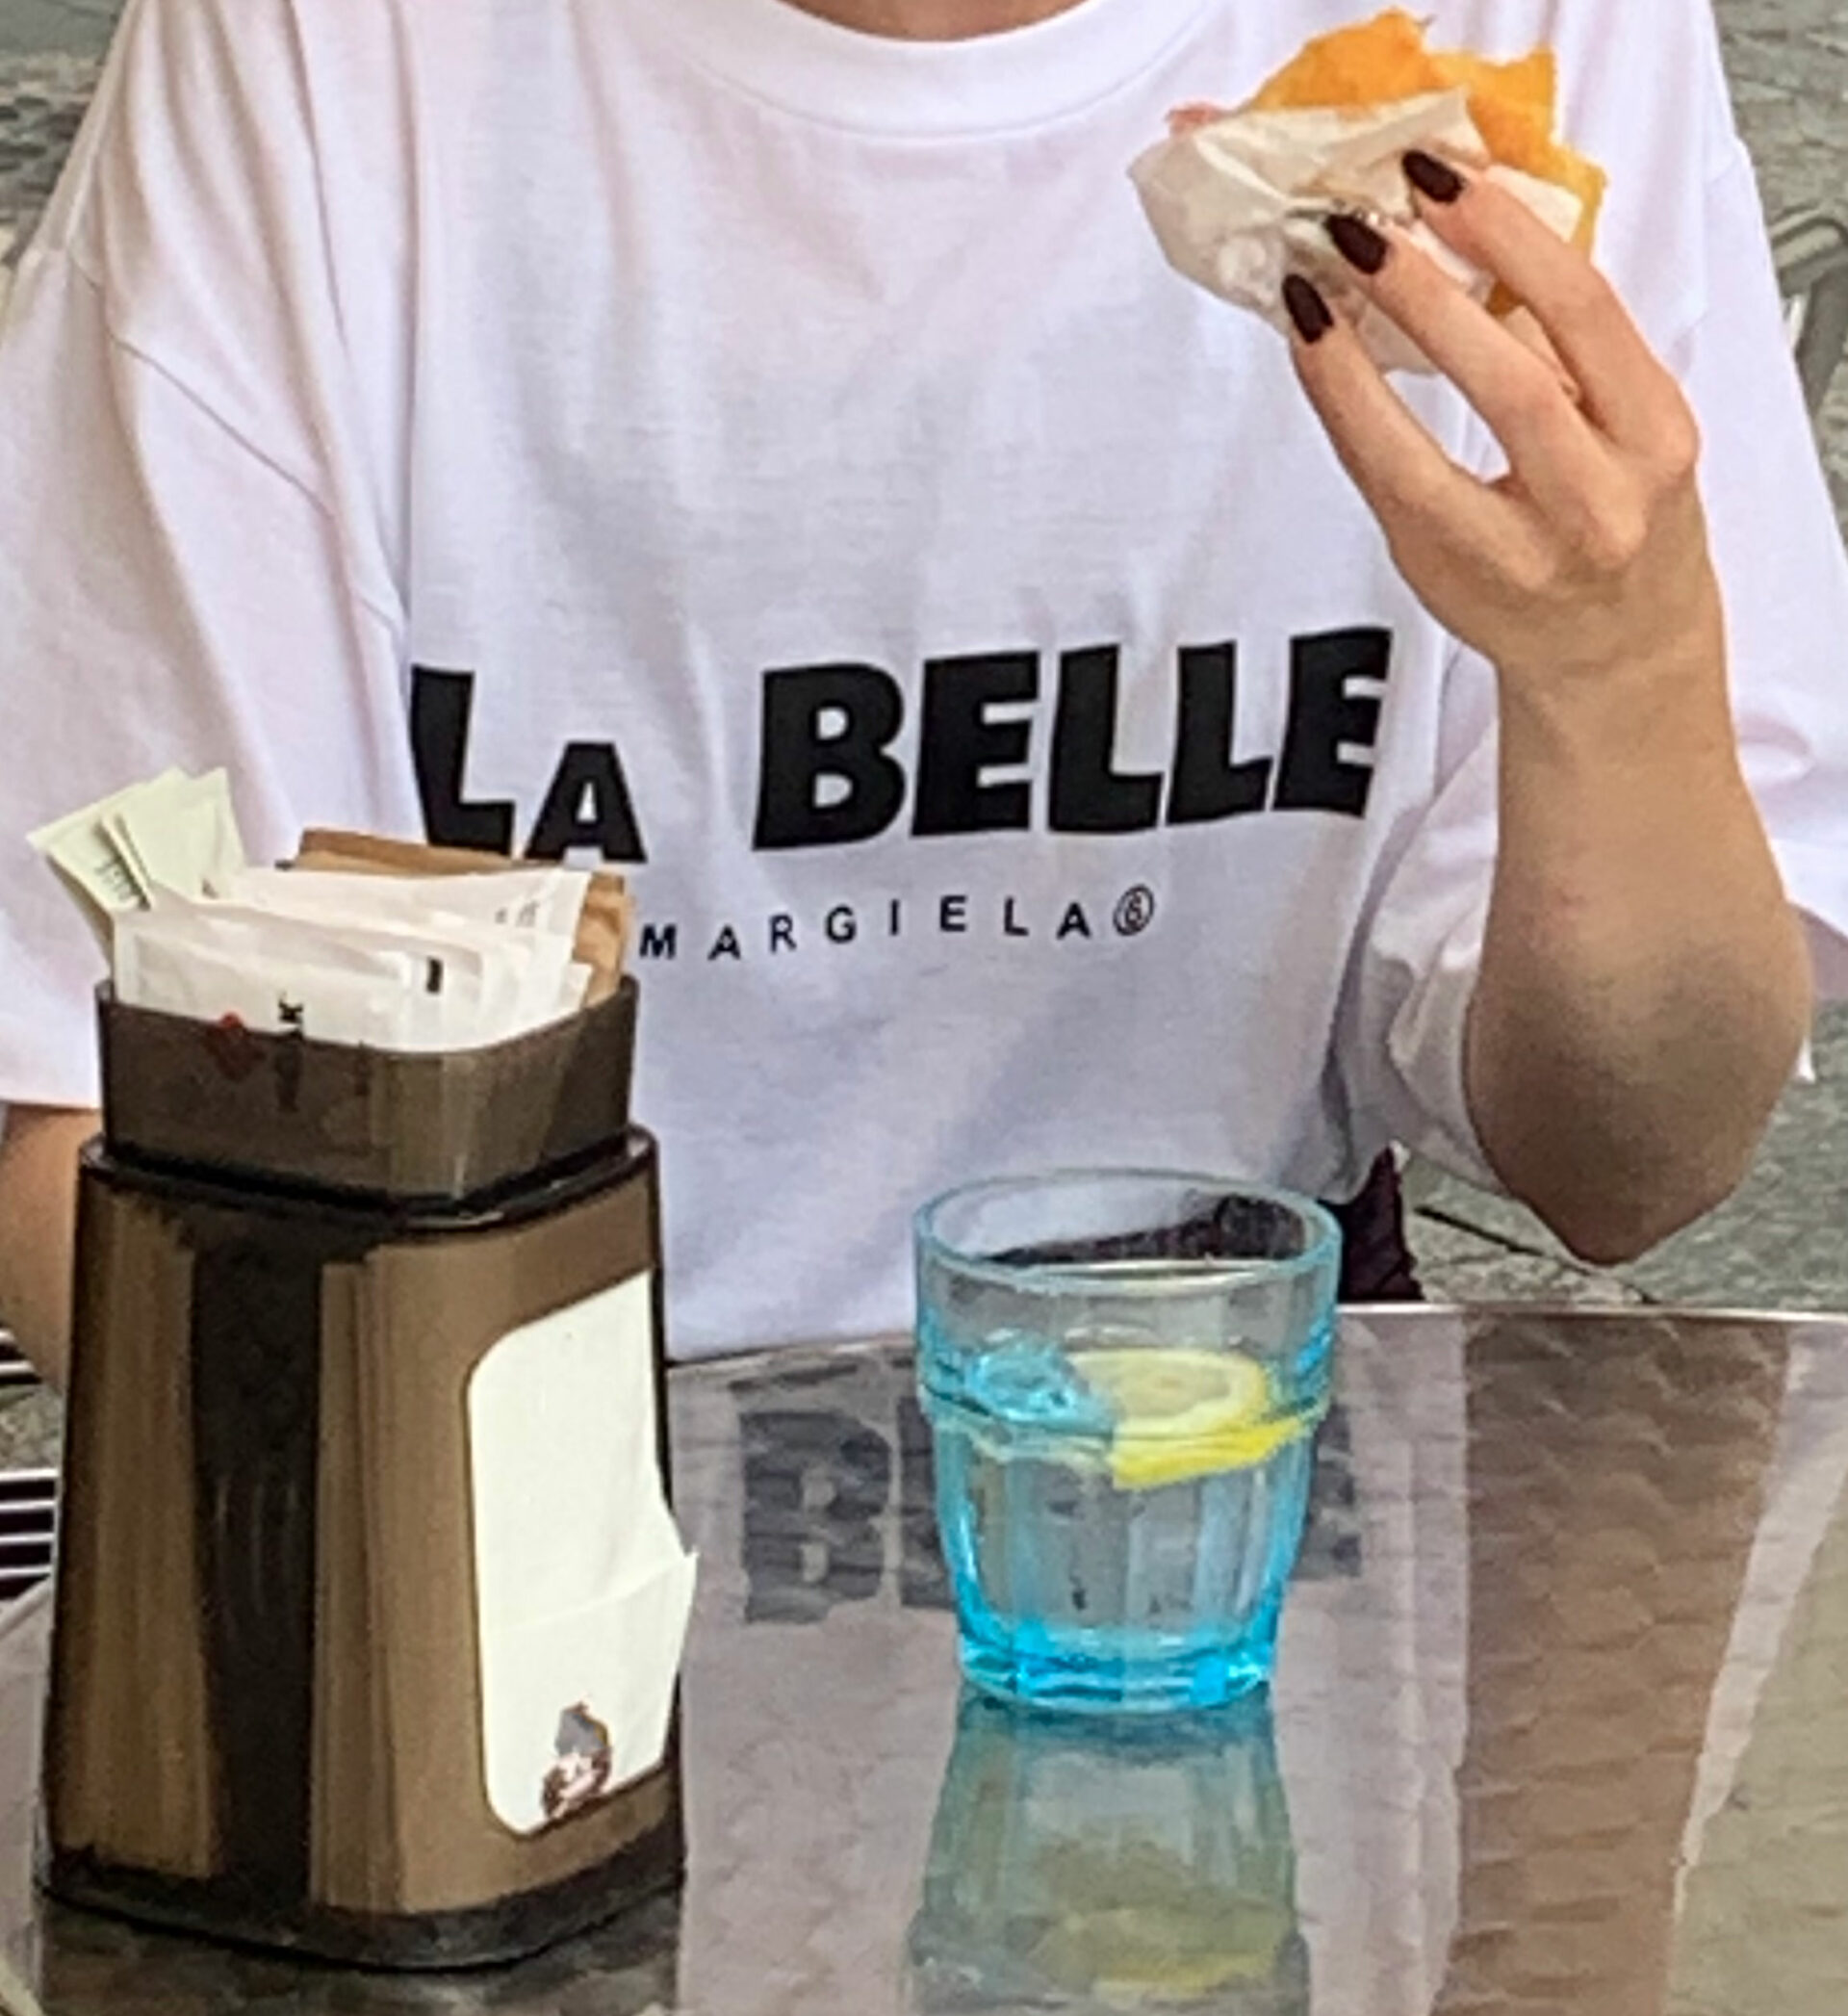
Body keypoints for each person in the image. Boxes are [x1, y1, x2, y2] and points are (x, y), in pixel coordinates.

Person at [0, 0, 1842, 1382]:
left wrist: (1617, 674)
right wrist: (480, 1608)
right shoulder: (329, 51)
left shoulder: (1528, 36)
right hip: (482, 1460)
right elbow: (92, 1111)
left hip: (1233, 1492)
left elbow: (1635, 1161)